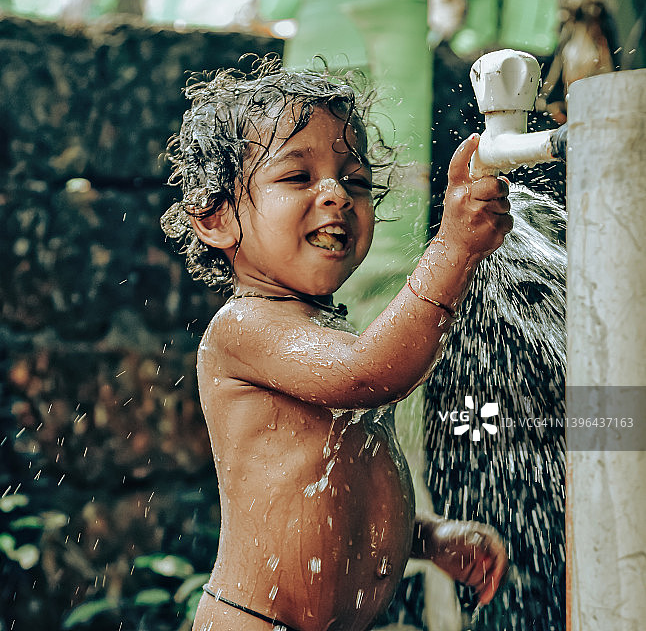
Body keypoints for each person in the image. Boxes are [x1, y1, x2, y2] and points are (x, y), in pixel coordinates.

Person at [161, 57, 511, 631]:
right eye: (297, 176)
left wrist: (426, 537)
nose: (337, 195)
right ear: (217, 218)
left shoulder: (333, 336)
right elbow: (369, 374)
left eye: (355, 180)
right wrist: (455, 250)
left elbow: (341, 491)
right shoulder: (243, 329)